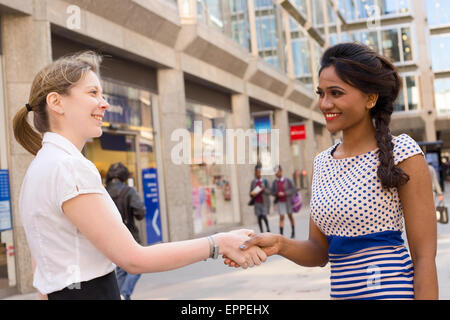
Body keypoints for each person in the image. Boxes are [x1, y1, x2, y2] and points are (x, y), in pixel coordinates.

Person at [13, 51, 267, 300]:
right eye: (92, 93)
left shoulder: (40, 169)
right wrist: (218, 243)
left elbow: (42, 275)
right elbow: (134, 259)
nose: (105, 103)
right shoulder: (68, 167)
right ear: (56, 102)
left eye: (102, 94)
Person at [229, 43, 439, 300]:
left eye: (336, 93)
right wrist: (280, 244)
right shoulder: (322, 163)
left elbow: (424, 257)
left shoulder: (403, 152)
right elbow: (319, 252)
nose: (325, 104)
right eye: (321, 93)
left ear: (370, 99)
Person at [105, 162, 145, 300]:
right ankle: (124, 294)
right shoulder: (129, 191)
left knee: (121, 269)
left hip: (110, 236)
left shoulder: (102, 191)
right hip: (129, 235)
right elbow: (140, 213)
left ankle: (120, 296)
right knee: (139, 266)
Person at [271, 165, 296, 239]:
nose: (277, 174)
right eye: (275, 172)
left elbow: (293, 189)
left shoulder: (287, 180)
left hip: (288, 201)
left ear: (281, 171)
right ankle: (281, 235)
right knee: (281, 217)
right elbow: (272, 192)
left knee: (290, 216)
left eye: (278, 172)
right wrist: (277, 193)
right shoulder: (275, 182)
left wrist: (285, 193)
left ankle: (293, 232)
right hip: (280, 202)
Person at [250, 164, 271, 233]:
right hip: (257, 202)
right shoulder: (253, 182)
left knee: (264, 215)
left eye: (260, 172)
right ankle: (261, 231)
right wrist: (253, 193)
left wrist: (263, 189)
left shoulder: (265, 181)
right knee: (259, 217)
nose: (258, 173)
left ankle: (268, 228)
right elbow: (251, 193)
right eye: (257, 172)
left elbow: (269, 191)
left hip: (264, 202)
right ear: (255, 173)